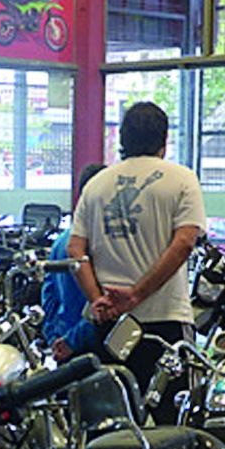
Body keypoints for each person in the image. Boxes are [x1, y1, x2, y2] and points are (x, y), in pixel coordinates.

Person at [70, 104, 204, 387]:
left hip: (106, 323)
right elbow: (184, 243)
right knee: (170, 409)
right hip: (164, 319)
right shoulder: (182, 179)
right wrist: (135, 295)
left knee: (110, 407)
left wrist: (96, 299)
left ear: (122, 138)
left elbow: (75, 250)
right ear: (164, 140)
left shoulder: (95, 185)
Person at [42, 161, 106, 361]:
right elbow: (102, 304)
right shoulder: (100, 243)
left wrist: (54, 338)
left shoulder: (61, 241)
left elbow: (49, 296)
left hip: (63, 342)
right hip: (90, 344)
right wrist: (72, 340)